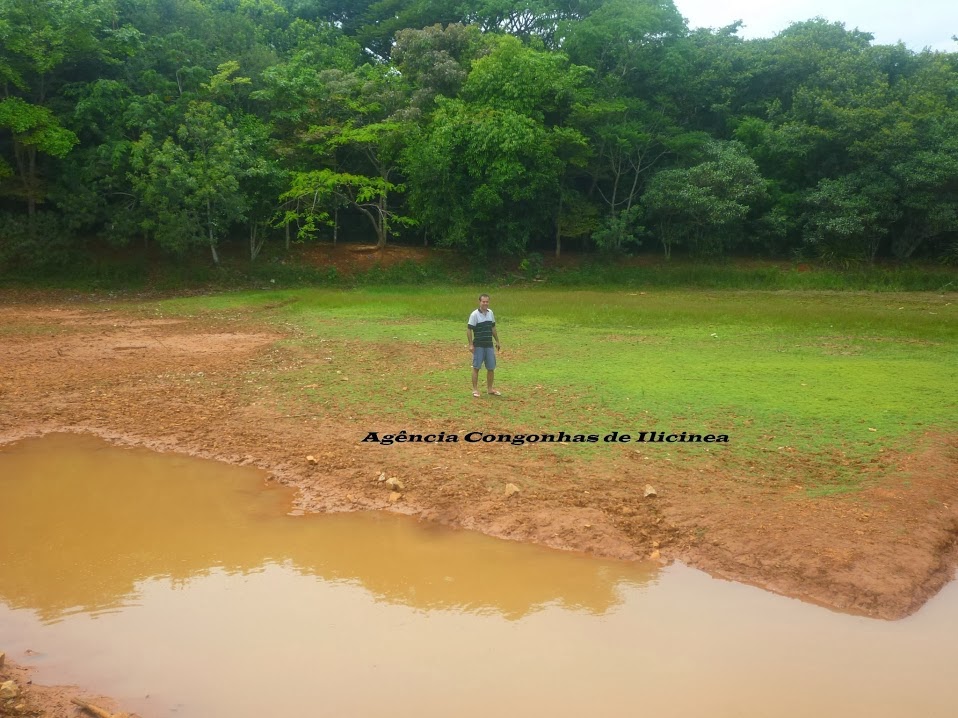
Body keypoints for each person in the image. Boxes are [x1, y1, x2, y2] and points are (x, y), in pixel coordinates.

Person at [466, 293, 501, 397]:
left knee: (491, 367)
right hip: (479, 345)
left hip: (489, 345)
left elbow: (493, 328)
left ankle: (490, 389)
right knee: (476, 367)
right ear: (479, 302)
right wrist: (471, 344)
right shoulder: (474, 315)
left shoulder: (490, 313)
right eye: (483, 301)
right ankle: (475, 390)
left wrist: (497, 341)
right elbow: (469, 329)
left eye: (487, 301)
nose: (485, 303)